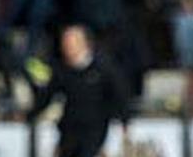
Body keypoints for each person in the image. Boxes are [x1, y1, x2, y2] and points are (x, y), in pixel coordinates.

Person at [29, 25, 131, 157]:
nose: (67, 47)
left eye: (70, 43)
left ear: (83, 43)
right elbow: (48, 95)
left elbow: (119, 95)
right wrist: (31, 114)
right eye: (65, 43)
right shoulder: (61, 70)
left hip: (95, 129)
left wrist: (125, 120)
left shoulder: (103, 68)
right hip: (69, 129)